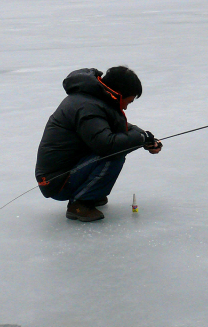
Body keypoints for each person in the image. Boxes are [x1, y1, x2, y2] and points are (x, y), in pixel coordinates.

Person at [35, 66, 162, 222]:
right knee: (113, 155)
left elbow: (118, 128)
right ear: (119, 94)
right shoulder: (87, 107)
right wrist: (141, 138)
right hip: (56, 182)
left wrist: (146, 139)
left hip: (63, 173)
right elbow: (107, 145)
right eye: (128, 102)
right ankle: (79, 204)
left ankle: (90, 193)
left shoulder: (94, 99)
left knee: (115, 149)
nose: (125, 107)